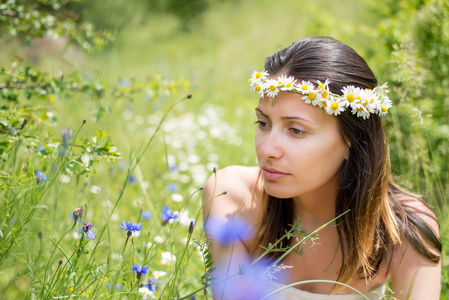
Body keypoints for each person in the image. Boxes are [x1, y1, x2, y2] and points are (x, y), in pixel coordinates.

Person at [202, 36, 441, 300]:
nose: (268, 149)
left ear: (351, 139)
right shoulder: (230, 198)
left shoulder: (402, 230)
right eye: (263, 124)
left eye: (296, 130)